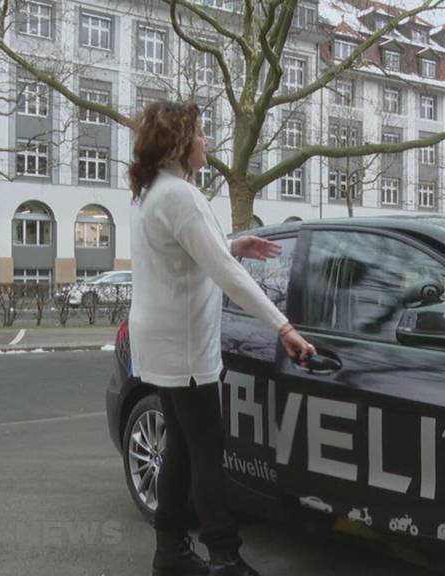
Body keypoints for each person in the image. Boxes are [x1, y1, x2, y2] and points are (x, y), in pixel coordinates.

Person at [127, 101, 315, 576]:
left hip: (162, 342)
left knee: (182, 447)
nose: (207, 141)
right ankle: (225, 557)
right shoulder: (180, 196)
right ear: (179, 141)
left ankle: (169, 552)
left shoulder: (157, 191)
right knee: (207, 450)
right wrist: (284, 328)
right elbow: (227, 275)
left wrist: (233, 244)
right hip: (185, 347)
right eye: (201, 134)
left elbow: (186, 255)